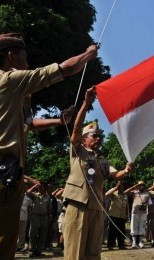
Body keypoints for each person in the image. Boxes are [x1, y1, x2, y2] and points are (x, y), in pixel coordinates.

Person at [0, 32, 98, 259]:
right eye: (25, 58)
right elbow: (65, 69)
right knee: (4, 242)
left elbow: (28, 123)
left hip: (7, 173)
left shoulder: (11, 89)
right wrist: (88, 54)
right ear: (12, 57)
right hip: (5, 175)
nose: (28, 64)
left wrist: (58, 121)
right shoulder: (10, 80)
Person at [61, 87, 133, 260]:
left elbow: (115, 175)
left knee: (93, 252)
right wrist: (86, 104)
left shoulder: (103, 160)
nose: (99, 138)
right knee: (75, 252)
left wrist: (126, 170)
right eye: (95, 135)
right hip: (78, 204)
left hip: (97, 207)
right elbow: (76, 129)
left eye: (100, 136)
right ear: (85, 139)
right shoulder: (78, 151)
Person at [26, 182, 52, 258]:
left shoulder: (48, 197)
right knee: (32, 234)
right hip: (35, 216)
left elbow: (49, 208)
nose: (40, 188)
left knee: (42, 235)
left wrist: (50, 216)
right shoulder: (34, 195)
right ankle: (32, 250)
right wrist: (35, 186)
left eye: (41, 187)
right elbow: (27, 192)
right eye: (39, 187)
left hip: (44, 217)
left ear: (45, 188)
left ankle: (39, 251)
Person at [124, 180, 152, 249]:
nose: (141, 186)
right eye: (140, 185)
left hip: (143, 212)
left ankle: (140, 242)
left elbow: (150, 204)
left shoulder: (147, 193)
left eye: (142, 185)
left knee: (142, 227)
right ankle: (134, 242)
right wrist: (134, 187)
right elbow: (125, 192)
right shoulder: (134, 192)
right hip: (135, 212)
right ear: (138, 186)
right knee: (134, 227)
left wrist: (149, 213)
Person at [105, 181, 128, 250]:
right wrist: (116, 188)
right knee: (112, 231)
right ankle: (110, 245)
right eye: (120, 186)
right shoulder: (113, 194)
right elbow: (106, 194)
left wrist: (126, 215)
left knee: (121, 231)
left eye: (122, 186)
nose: (121, 187)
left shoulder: (125, 195)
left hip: (122, 216)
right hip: (114, 215)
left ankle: (121, 245)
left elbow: (126, 206)